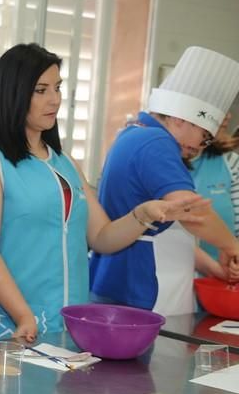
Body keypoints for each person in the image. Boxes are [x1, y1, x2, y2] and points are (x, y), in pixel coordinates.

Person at [0, 43, 207, 343]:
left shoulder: (64, 162)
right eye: (41, 90)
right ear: (12, 93)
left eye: (58, 88)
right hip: (7, 322)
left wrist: (143, 214)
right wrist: (24, 314)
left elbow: (101, 237)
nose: (55, 100)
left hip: (61, 320)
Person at [90, 46, 239, 315]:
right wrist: (231, 245)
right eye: (204, 137)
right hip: (140, 281)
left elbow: (170, 231)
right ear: (181, 118)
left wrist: (214, 268)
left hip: (123, 276)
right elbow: (192, 212)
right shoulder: (157, 142)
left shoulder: (135, 133)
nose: (201, 147)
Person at [189, 114, 239, 276]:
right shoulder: (162, 162)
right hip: (176, 276)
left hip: (221, 278)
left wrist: (234, 263)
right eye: (220, 110)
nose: (228, 116)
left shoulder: (230, 161)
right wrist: (218, 271)